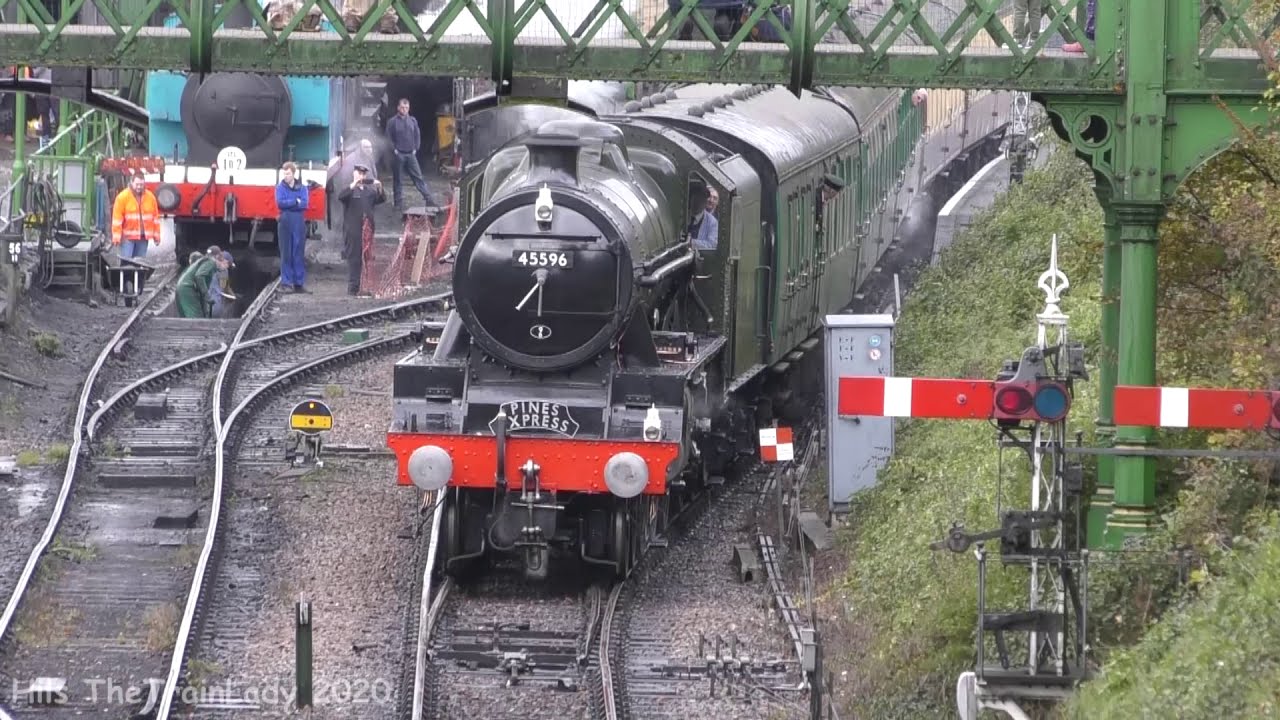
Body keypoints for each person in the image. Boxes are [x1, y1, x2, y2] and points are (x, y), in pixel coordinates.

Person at [337, 163, 385, 297]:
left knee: (366, 258)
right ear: (354, 174)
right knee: (354, 258)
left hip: (367, 230)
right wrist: (354, 185)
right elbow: (341, 197)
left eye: (363, 174)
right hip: (353, 230)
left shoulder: (369, 192)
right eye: (359, 173)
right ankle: (353, 288)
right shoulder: (350, 190)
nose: (361, 176)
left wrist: (380, 187)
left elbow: (381, 199)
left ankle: (364, 285)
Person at [384, 98, 437, 211]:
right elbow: (388, 138)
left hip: (411, 154)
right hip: (399, 155)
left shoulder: (413, 121)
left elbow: (417, 135)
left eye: (407, 108)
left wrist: (415, 148)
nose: (405, 110)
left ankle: (429, 200)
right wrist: (395, 150)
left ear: (409, 108)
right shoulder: (392, 122)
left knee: (418, 177)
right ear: (398, 108)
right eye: (402, 107)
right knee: (398, 180)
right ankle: (398, 204)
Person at [275, 161, 310, 293]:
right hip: (285, 222)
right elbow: (280, 203)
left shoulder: (302, 188)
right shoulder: (280, 188)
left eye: (288, 174)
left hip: (298, 222)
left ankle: (298, 283)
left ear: (293, 173)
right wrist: (295, 201)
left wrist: (290, 203)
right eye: (284, 174)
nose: (286, 176)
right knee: (286, 253)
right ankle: (286, 283)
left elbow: (305, 204)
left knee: (298, 252)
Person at [111, 170, 161, 259]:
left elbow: (155, 219)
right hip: (127, 238)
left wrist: (156, 236)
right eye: (137, 184)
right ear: (131, 182)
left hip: (143, 238)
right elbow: (117, 219)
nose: (139, 187)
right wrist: (116, 237)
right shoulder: (122, 197)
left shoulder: (150, 197)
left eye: (141, 185)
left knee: (140, 265)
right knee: (126, 264)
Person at [176, 248, 227, 318]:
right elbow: (199, 277)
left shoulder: (206, 267)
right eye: (225, 263)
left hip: (186, 288)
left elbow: (202, 287)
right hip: (189, 288)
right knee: (196, 318)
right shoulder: (210, 263)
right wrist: (207, 296)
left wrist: (205, 308)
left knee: (190, 317)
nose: (226, 266)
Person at [688, 184, 719, 251]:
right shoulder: (683, 215)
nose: (698, 202)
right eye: (695, 198)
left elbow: (712, 245)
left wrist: (691, 242)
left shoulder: (712, 222)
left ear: (705, 201)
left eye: (701, 199)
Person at [207, 250, 237, 318]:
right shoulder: (223, 270)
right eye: (228, 265)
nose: (228, 267)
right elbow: (224, 287)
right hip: (215, 306)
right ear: (225, 261)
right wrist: (233, 296)